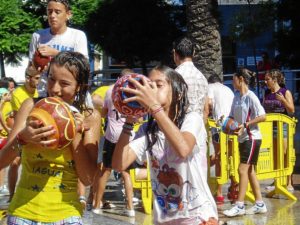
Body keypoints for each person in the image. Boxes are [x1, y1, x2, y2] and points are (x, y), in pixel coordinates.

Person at [0, 51, 100, 224]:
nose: (54, 89)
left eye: (64, 83)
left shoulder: (89, 117)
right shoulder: (31, 106)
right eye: (51, 79)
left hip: (66, 215)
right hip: (22, 213)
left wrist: (74, 135)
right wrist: (22, 139)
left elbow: (88, 178)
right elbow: (2, 162)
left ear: (80, 87)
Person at [112, 65, 218, 225]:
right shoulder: (148, 130)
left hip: (197, 216)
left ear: (178, 92)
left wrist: (154, 107)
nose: (151, 91)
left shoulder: (192, 119)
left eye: (158, 85)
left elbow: (183, 149)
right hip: (164, 219)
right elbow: (119, 164)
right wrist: (128, 121)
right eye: (149, 85)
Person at [223, 68, 267, 217]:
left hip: (252, 138)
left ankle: (239, 205)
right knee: (250, 171)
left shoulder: (251, 96)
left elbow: (263, 116)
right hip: (242, 138)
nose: (232, 81)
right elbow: (231, 117)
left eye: (234, 78)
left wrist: (247, 125)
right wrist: (226, 124)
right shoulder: (236, 97)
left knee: (242, 170)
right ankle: (260, 204)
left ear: (240, 79)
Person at [92, 69, 136, 217]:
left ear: (119, 78)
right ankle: (130, 208)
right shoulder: (133, 91)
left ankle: (97, 205)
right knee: (126, 173)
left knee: (106, 170)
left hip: (111, 135)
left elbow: (104, 112)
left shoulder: (111, 90)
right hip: (127, 135)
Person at [29, 0, 88, 97]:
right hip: (45, 91)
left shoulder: (78, 35)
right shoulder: (38, 36)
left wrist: (55, 53)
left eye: (57, 12)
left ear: (68, 14)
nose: (52, 15)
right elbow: (30, 68)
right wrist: (37, 69)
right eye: (49, 11)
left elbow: (84, 65)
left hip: (71, 94)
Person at [8, 66, 41, 201]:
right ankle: (11, 195)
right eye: (37, 78)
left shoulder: (40, 92)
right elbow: (17, 118)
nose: (39, 81)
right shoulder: (17, 94)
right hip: (23, 130)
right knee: (15, 163)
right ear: (28, 78)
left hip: (38, 130)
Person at [263, 69, 295, 192]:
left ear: (275, 80)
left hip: (284, 127)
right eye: (265, 79)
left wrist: (283, 100)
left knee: (286, 154)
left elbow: (291, 110)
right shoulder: (266, 92)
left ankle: (288, 182)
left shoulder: (285, 92)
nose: (265, 82)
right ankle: (277, 180)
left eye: (268, 79)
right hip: (271, 127)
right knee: (275, 155)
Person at [207, 74, 234, 204]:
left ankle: (219, 193)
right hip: (232, 125)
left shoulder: (210, 87)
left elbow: (209, 103)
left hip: (219, 126)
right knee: (231, 156)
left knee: (219, 157)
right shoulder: (228, 89)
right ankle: (234, 187)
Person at [173, 36, 209, 121]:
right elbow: (206, 110)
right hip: (199, 130)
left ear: (175, 53)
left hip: (180, 130)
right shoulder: (202, 77)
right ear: (194, 53)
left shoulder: (173, 76)